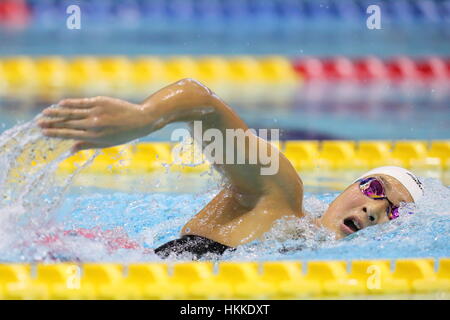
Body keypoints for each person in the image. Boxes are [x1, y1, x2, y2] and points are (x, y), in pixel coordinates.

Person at [37, 78, 424, 259]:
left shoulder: (314, 255)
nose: (376, 208)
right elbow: (199, 100)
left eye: (395, 210)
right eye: (375, 188)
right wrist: (144, 117)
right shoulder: (281, 197)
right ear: (352, 186)